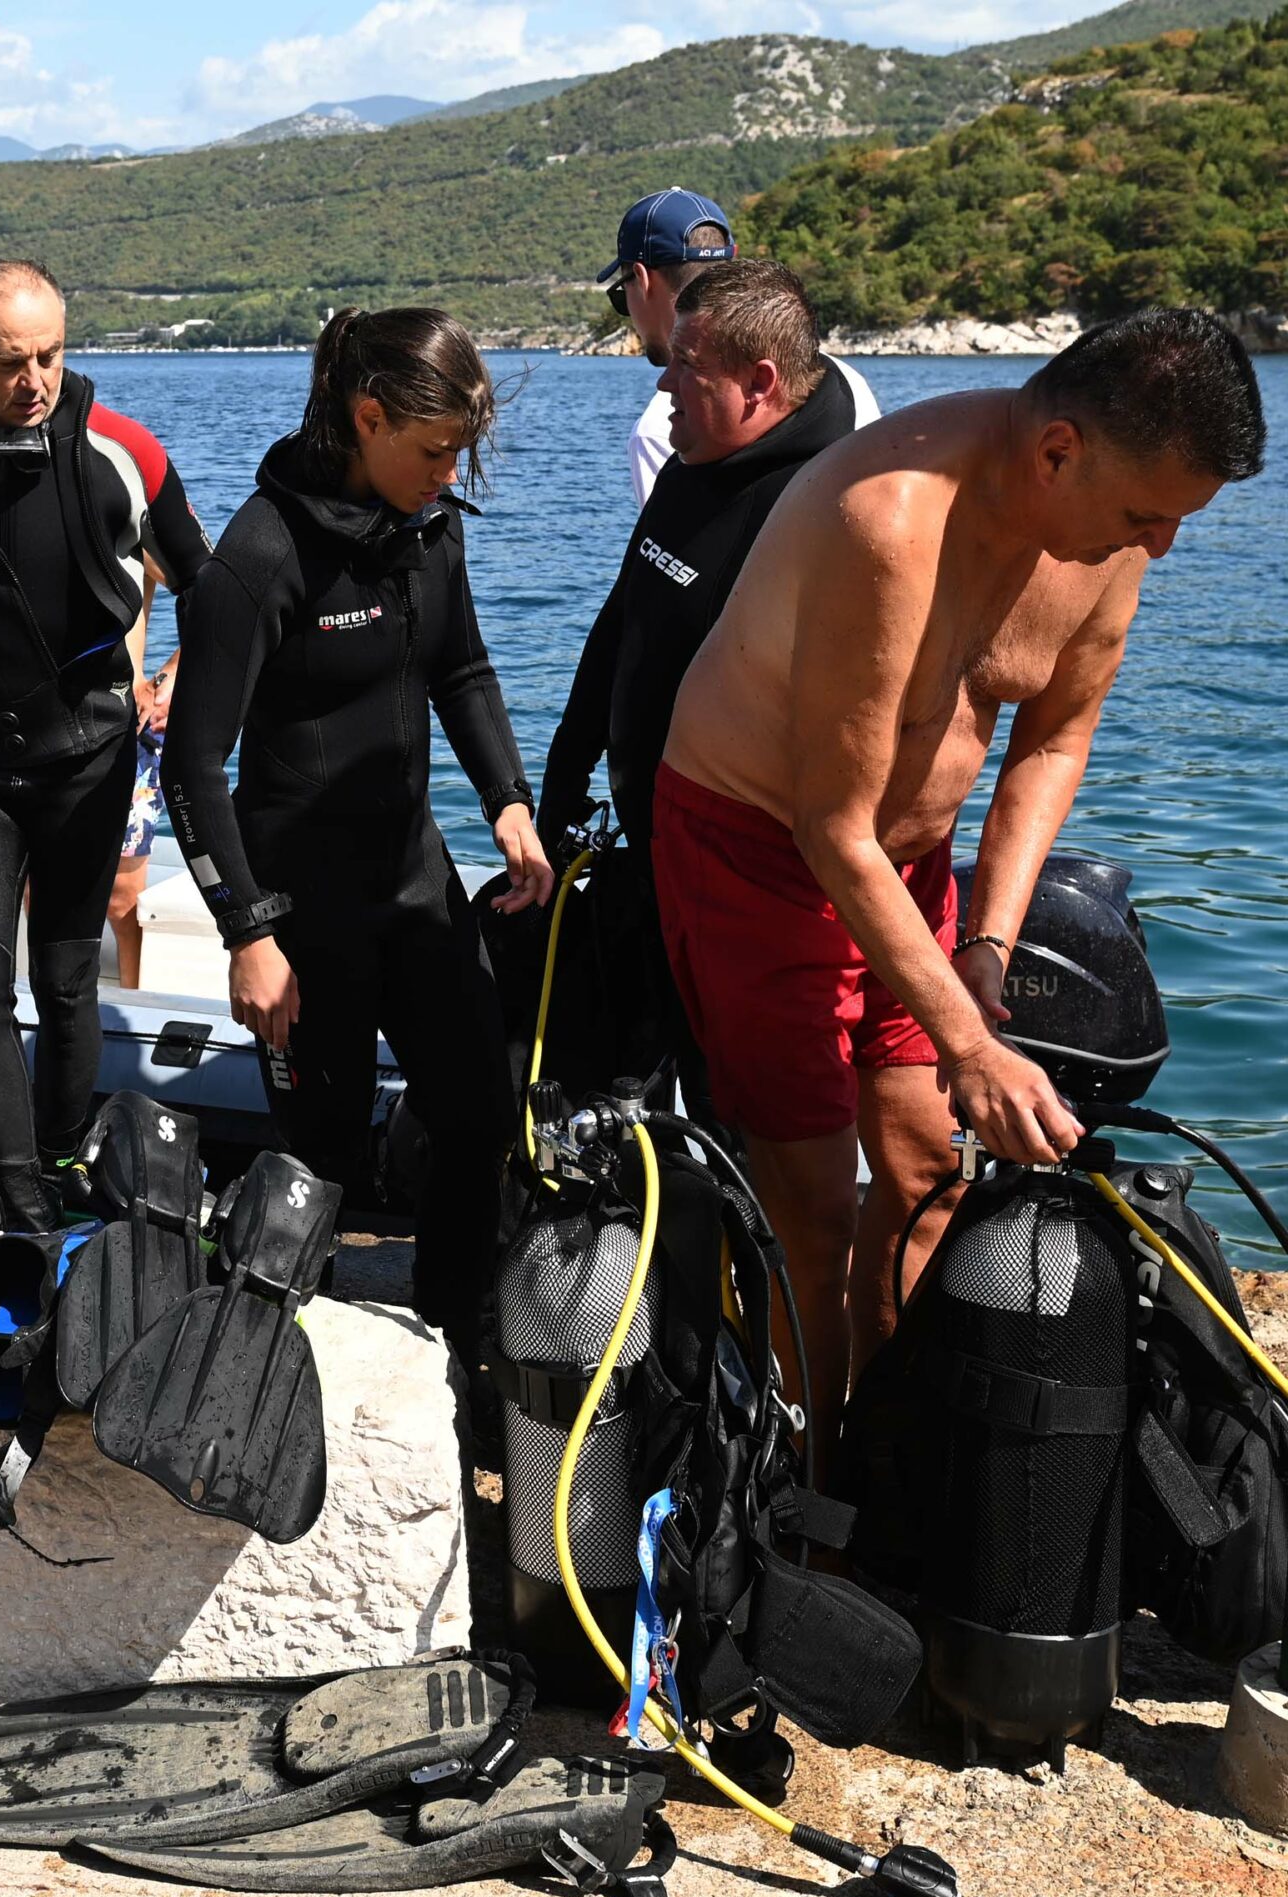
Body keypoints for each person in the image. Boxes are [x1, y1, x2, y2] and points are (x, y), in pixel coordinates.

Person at [656, 307, 1265, 1455]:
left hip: (906, 859)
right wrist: (973, 1045)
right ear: (1057, 452)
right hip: (758, 850)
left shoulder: (1106, 544)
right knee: (812, 1204)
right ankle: (810, 1483)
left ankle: (890, 1459)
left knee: (927, 1165)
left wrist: (984, 947)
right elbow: (830, 827)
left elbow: (1051, 740)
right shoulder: (890, 518)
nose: (1163, 547)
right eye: (1147, 516)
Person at [163, 306, 553, 1337]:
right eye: (434, 451)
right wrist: (248, 932)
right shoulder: (260, 553)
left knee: (481, 1116)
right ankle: (289, 1364)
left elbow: (461, 669)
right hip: (304, 914)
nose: (449, 475)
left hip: (414, 882)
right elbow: (191, 766)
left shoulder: (427, 526)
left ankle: (459, 1344)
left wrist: (508, 799)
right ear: (369, 416)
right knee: (317, 1163)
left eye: (460, 454)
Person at [0, 259, 212, 1231]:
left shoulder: (123, 450)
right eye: (9, 361)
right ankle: (20, 1198)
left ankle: (64, 1160)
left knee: (66, 980)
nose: (33, 379)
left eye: (50, 355)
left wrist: (177, 680)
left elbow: (208, 584)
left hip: (87, 759)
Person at [541, 261, 858, 852]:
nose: (664, 383)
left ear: (759, 383)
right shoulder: (692, 459)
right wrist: (564, 779)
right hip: (654, 844)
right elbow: (621, 620)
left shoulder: (827, 511)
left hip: (739, 864)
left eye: (687, 364)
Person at [600, 187, 879, 508]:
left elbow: (678, 538)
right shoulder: (841, 378)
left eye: (621, 294)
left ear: (642, 278)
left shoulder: (666, 426)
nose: (667, 382)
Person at [107, 575, 178, 991]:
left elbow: (219, 589)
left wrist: (173, 674)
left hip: (123, 728)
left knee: (122, 900)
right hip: (32, 725)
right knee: (36, 890)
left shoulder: (136, 532)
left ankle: (132, 1005)